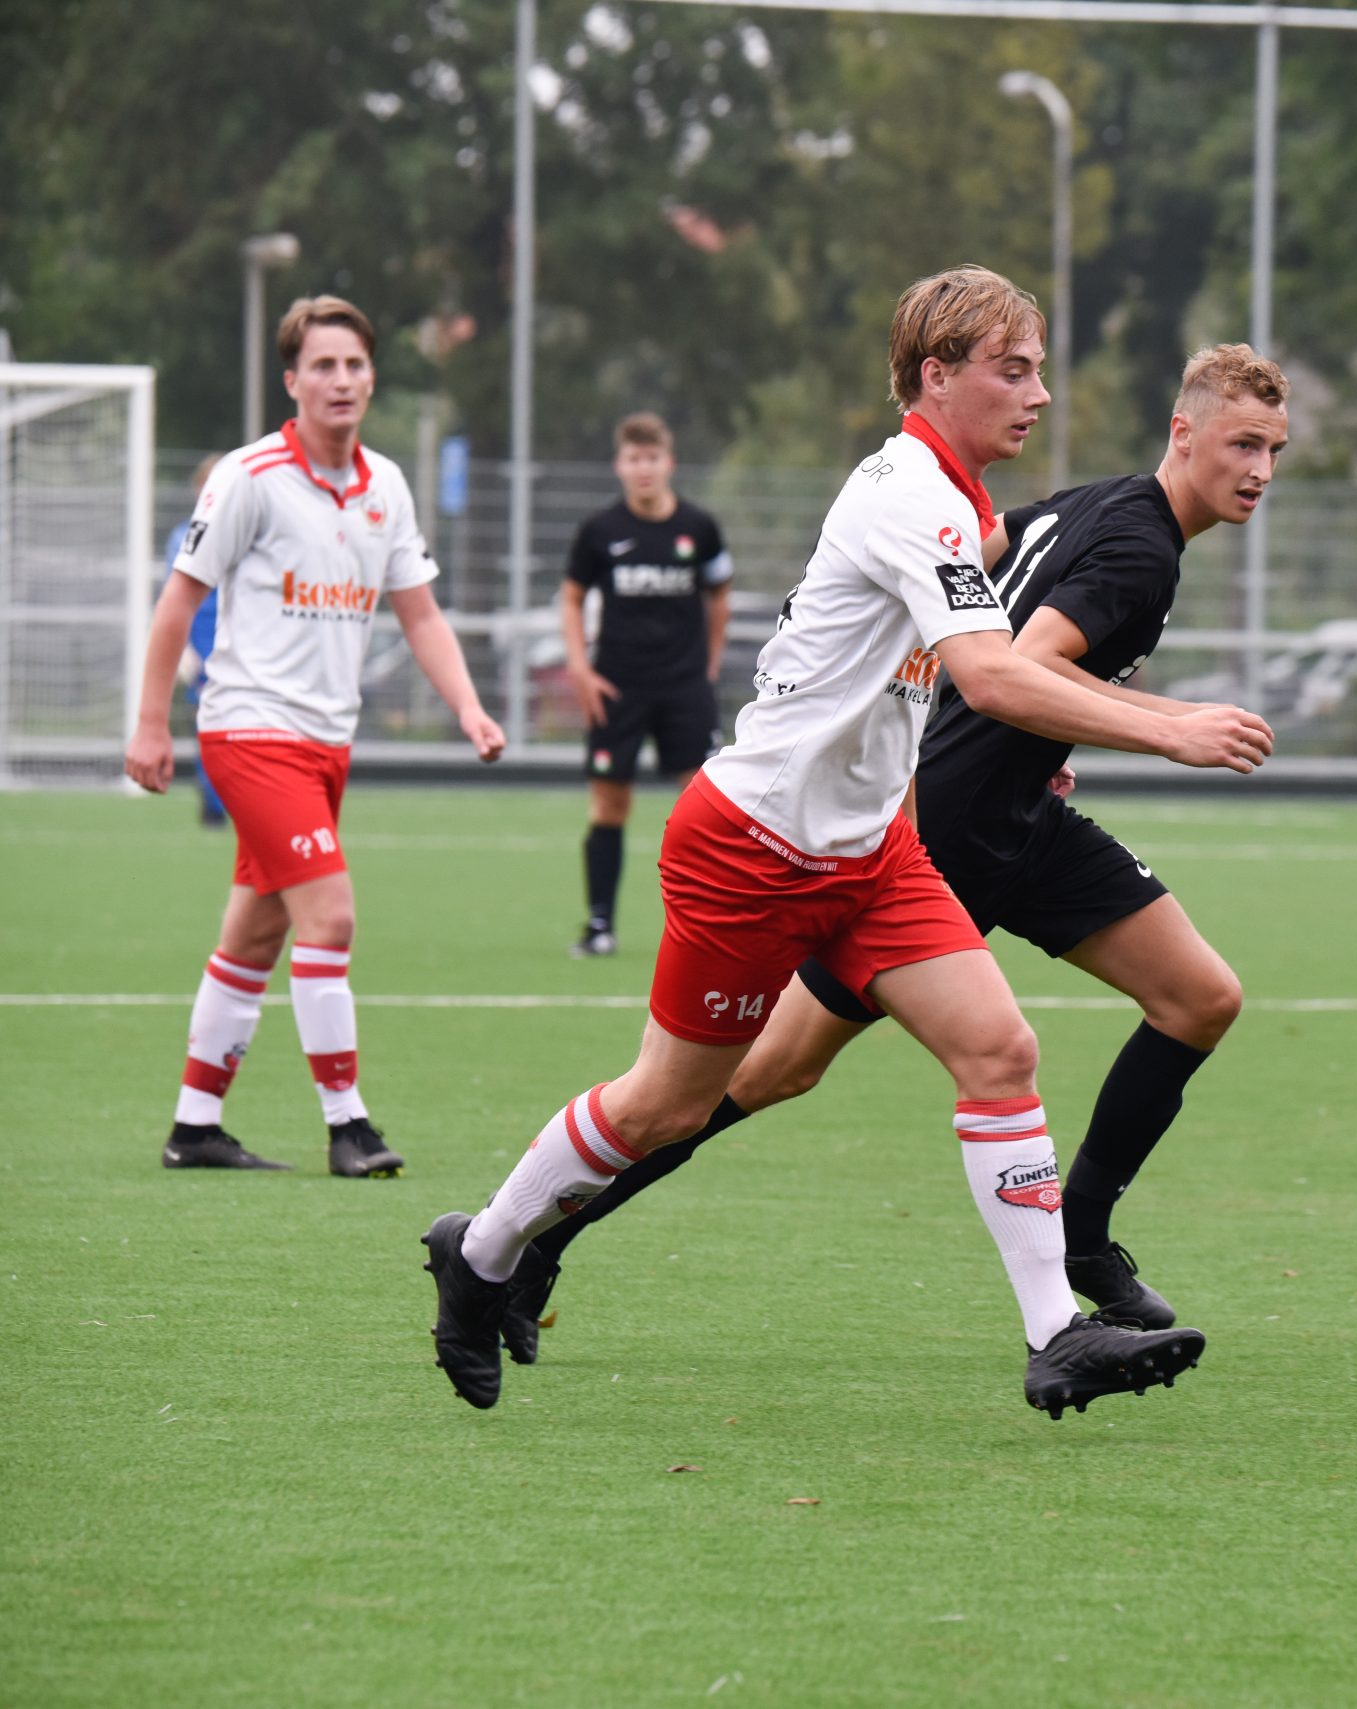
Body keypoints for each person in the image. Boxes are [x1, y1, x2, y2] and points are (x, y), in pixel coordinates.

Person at [420, 267, 1275, 1418]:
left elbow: (984, 635)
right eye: (1013, 370)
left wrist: (1051, 738)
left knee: (999, 1049)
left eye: (1037, 370)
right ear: (936, 375)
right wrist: (1170, 728)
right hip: (755, 842)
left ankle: (1056, 1333)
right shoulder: (911, 497)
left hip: (873, 848)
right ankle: (482, 1251)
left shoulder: (963, 502)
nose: (1039, 394)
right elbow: (993, 675)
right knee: (669, 1103)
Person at [125, 295, 507, 1176]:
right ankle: (349, 1126)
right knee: (329, 915)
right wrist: (149, 723)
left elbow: (420, 614)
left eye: (355, 365)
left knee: (255, 935)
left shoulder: (387, 487)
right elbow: (179, 599)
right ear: (292, 381)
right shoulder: (250, 476)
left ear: (372, 378)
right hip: (250, 732)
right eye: (323, 366)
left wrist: (468, 706)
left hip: (327, 745)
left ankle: (194, 1126)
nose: (341, 380)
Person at [561, 413, 733, 957]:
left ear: (669, 463)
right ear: (620, 465)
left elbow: (720, 596)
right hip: (618, 690)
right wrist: (580, 668)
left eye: (652, 458)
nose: (644, 469)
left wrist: (708, 666)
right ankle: (599, 926)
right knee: (609, 805)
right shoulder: (600, 531)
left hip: (684, 688)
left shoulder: (699, 528)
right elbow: (571, 597)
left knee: (702, 805)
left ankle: (708, 927)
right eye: (634, 459)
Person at [160, 454, 228, 827]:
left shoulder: (249, 532)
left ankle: (235, 799)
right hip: (203, 643)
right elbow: (174, 596)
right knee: (208, 723)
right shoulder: (183, 537)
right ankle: (213, 803)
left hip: (243, 642)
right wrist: (183, 647)